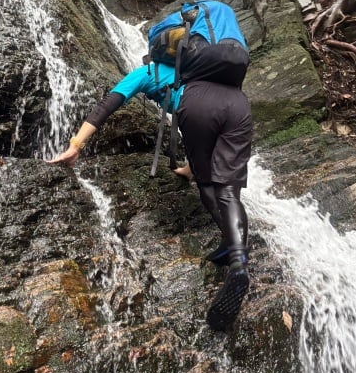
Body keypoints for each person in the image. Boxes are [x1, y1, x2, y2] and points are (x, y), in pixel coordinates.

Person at [48, 58, 252, 331]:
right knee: (228, 188)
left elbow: (108, 104)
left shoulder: (145, 73)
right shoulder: (204, 72)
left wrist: (76, 144)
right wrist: (190, 168)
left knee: (207, 188)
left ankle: (236, 261)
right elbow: (207, 138)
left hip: (199, 109)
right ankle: (238, 248)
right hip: (239, 105)